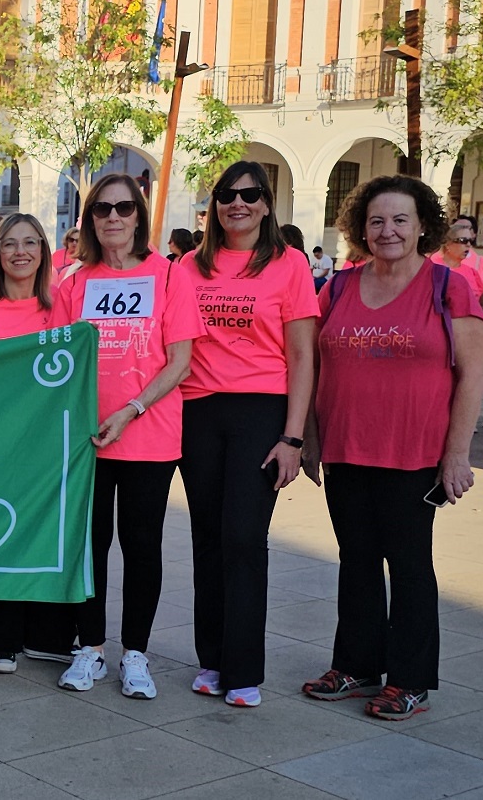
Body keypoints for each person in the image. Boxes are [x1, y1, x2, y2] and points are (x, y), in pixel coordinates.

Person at [300, 174, 483, 720]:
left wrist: (456, 454)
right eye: (377, 220)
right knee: (355, 561)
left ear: (423, 224)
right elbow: (310, 366)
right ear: (362, 227)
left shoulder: (449, 287)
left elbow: (473, 375)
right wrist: (309, 437)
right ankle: (356, 666)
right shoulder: (336, 286)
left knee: (408, 565)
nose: (388, 230)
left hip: (415, 455)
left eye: (400, 219)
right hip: (347, 448)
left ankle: (409, 679)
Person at [169, 162, 318, 708]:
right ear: (214, 205)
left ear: (266, 203)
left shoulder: (290, 264)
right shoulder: (188, 266)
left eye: (250, 194)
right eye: (228, 195)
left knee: (244, 537)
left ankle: (243, 669)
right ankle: (212, 659)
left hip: (260, 410)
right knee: (207, 538)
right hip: (197, 411)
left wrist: (294, 437)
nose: (239, 203)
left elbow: (303, 356)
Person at [52, 175, 202, 699]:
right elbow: (59, 361)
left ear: (139, 215)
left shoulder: (169, 276)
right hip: (88, 440)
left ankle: (135, 653)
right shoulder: (73, 283)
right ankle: (88, 649)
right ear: (90, 219)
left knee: (141, 547)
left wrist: (132, 410)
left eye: (123, 208)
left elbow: (181, 361)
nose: (113, 217)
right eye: (101, 209)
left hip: (149, 434)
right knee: (88, 546)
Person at [0, 212, 64, 677]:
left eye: (31, 243)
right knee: (4, 533)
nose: (20, 252)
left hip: (54, 440)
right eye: (9, 245)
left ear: (44, 251)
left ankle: (46, 635)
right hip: (4, 441)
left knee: (48, 533)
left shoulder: (64, 305)